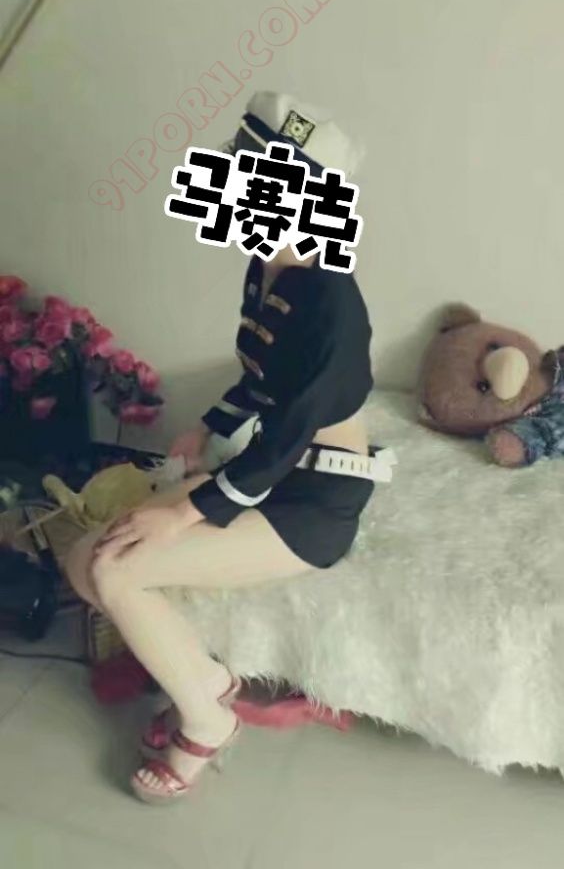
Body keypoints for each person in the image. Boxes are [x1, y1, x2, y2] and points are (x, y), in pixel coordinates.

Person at [65, 92, 378, 804]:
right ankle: (211, 681)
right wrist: (206, 428)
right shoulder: (268, 265)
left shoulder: (330, 301)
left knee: (114, 571)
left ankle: (209, 721)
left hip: (314, 497)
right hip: (267, 469)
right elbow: (262, 375)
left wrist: (183, 511)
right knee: (86, 562)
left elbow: (286, 439)